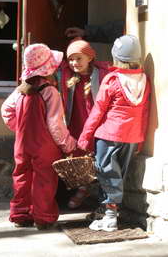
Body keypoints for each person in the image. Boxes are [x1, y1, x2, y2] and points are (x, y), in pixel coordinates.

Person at [78, 35, 151, 231]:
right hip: (131, 138)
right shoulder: (144, 80)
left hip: (109, 135)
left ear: (116, 57)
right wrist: (141, 140)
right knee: (117, 175)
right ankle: (105, 213)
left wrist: (85, 137)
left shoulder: (112, 80)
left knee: (106, 173)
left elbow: (98, 111)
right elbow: (144, 113)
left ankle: (110, 217)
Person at [1, 43, 77, 230]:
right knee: (44, 180)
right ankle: (43, 218)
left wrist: (20, 129)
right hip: (45, 146)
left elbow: (6, 111)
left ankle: (20, 214)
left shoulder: (20, 90)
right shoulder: (50, 91)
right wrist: (69, 145)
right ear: (49, 68)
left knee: (21, 176)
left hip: (23, 143)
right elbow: (55, 124)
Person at [59, 37, 111, 209]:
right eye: (71, 59)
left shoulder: (101, 73)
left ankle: (89, 190)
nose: (74, 63)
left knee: (96, 156)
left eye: (79, 58)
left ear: (90, 57)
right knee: (80, 155)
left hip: (96, 122)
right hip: (76, 122)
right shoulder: (68, 74)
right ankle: (82, 187)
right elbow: (53, 62)